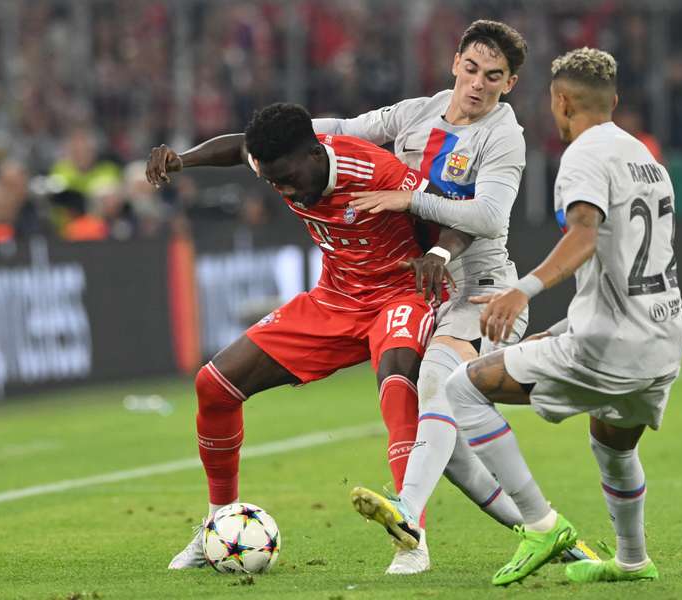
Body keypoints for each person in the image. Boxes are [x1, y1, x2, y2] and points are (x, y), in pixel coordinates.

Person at [314, 20, 594, 573]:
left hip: (483, 294)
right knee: (447, 444)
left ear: (509, 83)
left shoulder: (503, 134)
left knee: (437, 381)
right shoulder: (419, 111)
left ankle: (408, 516)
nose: (478, 85)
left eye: (493, 77)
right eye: (471, 70)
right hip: (422, 294)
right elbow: (345, 127)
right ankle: (547, 531)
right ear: (454, 64)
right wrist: (277, 137)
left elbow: (489, 216)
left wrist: (407, 200)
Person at [145, 103, 473, 570]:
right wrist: (183, 158)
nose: (281, 189)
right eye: (271, 180)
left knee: (398, 385)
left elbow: (457, 216)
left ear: (315, 153)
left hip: (400, 294)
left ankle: (411, 536)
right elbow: (238, 147)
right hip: (334, 300)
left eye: (286, 178)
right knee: (213, 385)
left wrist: (437, 250)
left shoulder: (375, 169)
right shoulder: (273, 159)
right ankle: (219, 523)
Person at [440, 47, 682, 586]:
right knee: (611, 442)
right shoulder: (647, 158)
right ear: (613, 101)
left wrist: (521, 291)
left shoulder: (581, 156)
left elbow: (584, 233)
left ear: (560, 100)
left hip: (611, 345)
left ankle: (539, 524)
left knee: (462, 389)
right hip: (663, 336)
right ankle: (631, 560)